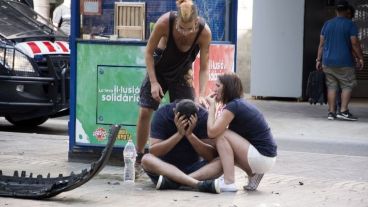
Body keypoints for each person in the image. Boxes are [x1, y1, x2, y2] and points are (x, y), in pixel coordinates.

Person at [136, 0, 212, 176]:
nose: (185, 32)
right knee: (145, 111)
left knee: (188, 112)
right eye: (181, 28)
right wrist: (154, 82)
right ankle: (139, 157)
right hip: (159, 68)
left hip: (182, 72)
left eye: (189, 28)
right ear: (176, 20)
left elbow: (205, 68)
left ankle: (184, 159)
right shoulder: (165, 22)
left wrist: (201, 94)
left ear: (196, 22)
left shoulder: (204, 32)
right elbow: (148, 52)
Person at [205, 73, 277, 192]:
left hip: (263, 157)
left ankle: (228, 182)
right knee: (223, 145)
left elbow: (212, 132)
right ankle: (253, 174)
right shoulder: (238, 104)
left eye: (218, 85)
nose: (214, 89)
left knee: (221, 135)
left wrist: (212, 107)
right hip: (266, 157)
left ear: (227, 88)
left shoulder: (234, 106)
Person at [141, 99, 221, 194]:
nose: (186, 124)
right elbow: (154, 151)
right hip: (166, 169)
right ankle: (197, 184)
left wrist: (190, 135)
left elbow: (211, 156)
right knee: (146, 159)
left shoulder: (203, 116)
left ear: (197, 114)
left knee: (223, 160)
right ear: (174, 112)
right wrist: (179, 134)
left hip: (195, 170)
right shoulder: (162, 114)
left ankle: (176, 183)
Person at [316, 0, 364, 121]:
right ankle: (343, 111)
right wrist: (360, 57)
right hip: (344, 62)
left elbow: (321, 44)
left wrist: (318, 60)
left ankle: (331, 113)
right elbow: (354, 43)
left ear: (336, 10)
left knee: (331, 86)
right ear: (347, 10)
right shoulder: (350, 25)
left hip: (327, 61)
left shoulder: (327, 24)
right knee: (347, 85)